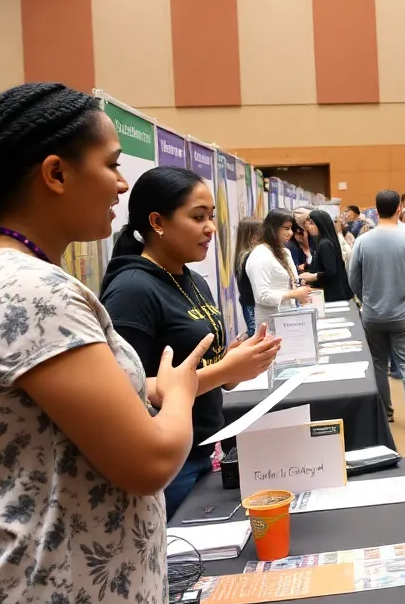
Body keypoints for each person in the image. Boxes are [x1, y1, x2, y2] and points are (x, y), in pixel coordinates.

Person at [0, 82, 213, 604]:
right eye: (110, 166)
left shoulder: (8, 278)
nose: (122, 184)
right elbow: (149, 459)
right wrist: (179, 395)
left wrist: (152, 393)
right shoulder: (30, 292)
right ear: (56, 173)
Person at [101, 167, 282, 517]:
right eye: (198, 217)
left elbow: (201, 366)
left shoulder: (193, 279)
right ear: (158, 222)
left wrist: (235, 366)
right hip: (170, 464)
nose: (211, 228)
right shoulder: (132, 291)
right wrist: (223, 370)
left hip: (206, 449)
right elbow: (124, 393)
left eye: (212, 217)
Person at [349, 189, 405, 421]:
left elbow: (353, 279)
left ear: (376, 208)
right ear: (399, 209)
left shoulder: (362, 241)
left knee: (378, 362)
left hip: (372, 314)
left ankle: (385, 411)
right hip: (404, 313)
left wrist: (367, 297)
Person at [247, 209, 316, 326]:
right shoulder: (260, 254)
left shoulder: (285, 252)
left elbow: (292, 281)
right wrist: (293, 294)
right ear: (273, 228)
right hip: (270, 324)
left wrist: (300, 290)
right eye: (286, 228)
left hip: (290, 319)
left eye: (291, 229)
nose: (290, 233)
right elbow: (261, 296)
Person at [308, 208, 353, 302]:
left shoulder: (325, 244)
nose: (309, 226)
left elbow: (331, 271)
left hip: (332, 295)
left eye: (312, 223)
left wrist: (313, 276)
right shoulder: (324, 241)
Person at [234, 216, 262, 335]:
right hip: (252, 304)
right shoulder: (250, 257)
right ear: (253, 238)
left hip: (250, 303)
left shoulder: (244, 255)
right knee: (255, 334)